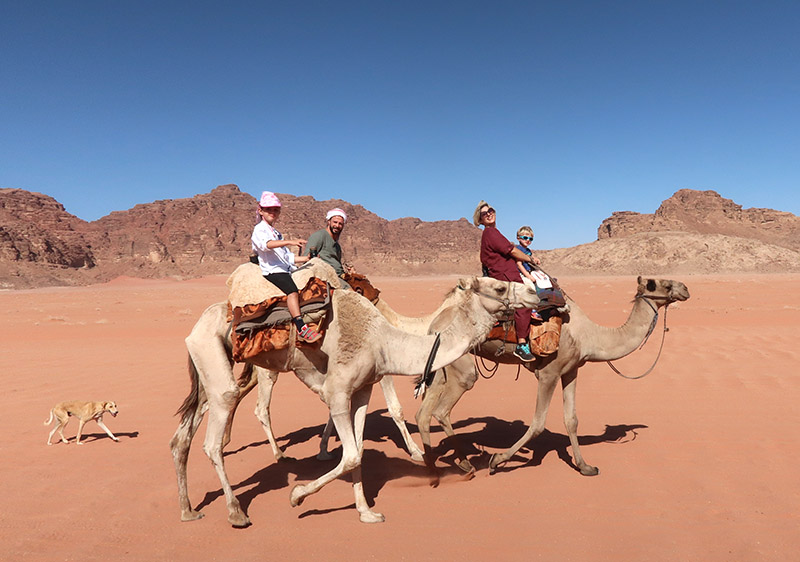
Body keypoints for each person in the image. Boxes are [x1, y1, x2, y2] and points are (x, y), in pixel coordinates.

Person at [251, 191, 321, 343]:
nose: (273, 213)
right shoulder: (259, 230)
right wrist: (290, 242)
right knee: (292, 291)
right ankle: (301, 327)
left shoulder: (276, 232)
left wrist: (307, 259)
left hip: (285, 268)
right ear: (261, 210)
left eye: (276, 210)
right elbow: (266, 245)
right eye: (269, 209)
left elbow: (287, 258)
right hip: (273, 270)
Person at [473, 201, 538, 362]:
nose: (489, 213)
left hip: (506, 275)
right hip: (505, 278)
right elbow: (512, 251)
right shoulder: (490, 233)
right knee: (525, 303)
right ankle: (522, 344)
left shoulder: (493, 232)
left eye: (491, 210)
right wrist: (530, 258)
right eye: (484, 213)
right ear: (480, 220)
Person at [304, 207, 353, 286]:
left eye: (340, 224)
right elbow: (307, 258)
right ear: (329, 222)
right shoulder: (319, 236)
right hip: (326, 277)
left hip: (339, 277)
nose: (337, 225)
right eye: (335, 222)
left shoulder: (337, 246)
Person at [514, 226, 544, 321]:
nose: (528, 240)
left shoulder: (527, 251)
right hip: (521, 274)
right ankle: (532, 310)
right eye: (525, 238)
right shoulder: (518, 249)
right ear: (518, 238)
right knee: (530, 287)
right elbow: (519, 264)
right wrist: (528, 276)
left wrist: (535, 259)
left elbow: (530, 257)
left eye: (530, 239)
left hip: (529, 271)